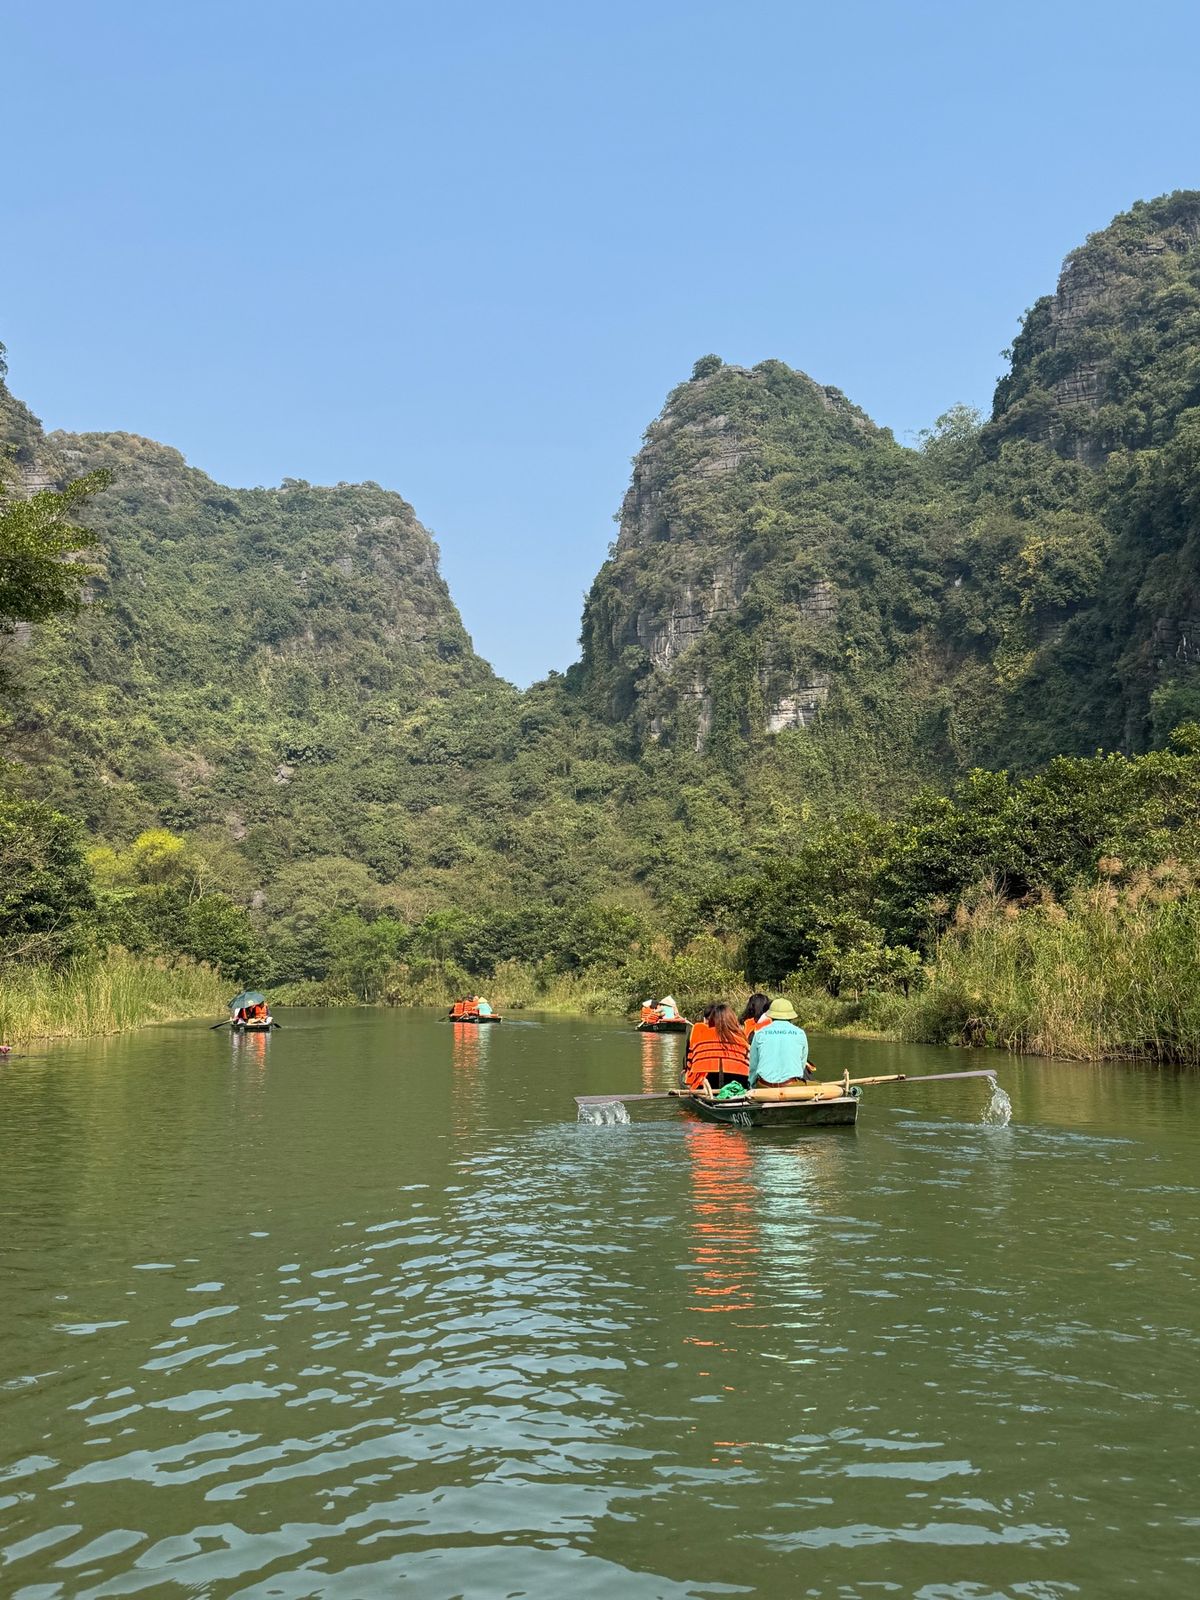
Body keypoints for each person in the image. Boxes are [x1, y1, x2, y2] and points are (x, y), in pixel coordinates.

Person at [684, 1001, 750, 1092]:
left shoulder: (700, 1038)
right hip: (737, 1083)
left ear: (711, 1020)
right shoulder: (742, 1039)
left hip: (707, 1084)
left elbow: (691, 1064)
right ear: (732, 1020)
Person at [748, 997, 812, 1087]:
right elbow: (802, 1065)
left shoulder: (760, 1033)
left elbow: (753, 1066)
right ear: (791, 1016)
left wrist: (751, 1085)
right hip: (790, 1085)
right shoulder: (800, 1033)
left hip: (765, 1085)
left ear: (771, 1016)